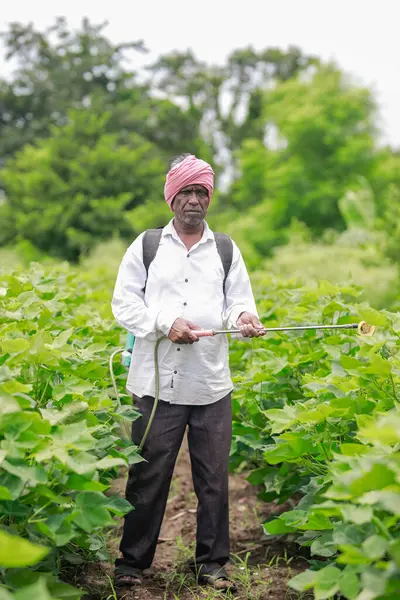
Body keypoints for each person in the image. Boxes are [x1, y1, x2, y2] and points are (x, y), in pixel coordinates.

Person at [111, 153, 264, 593]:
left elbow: (237, 301)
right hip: (156, 384)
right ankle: (132, 565)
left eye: (201, 192)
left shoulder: (226, 250)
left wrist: (244, 319)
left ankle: (213, 566)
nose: (194, 200)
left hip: (210, 383)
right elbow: (124, 304)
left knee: (214, 480)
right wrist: (164, 323)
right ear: (172, 197)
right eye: (186, 192)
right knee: (149, 476)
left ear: (209, 198)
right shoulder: (147, 246)